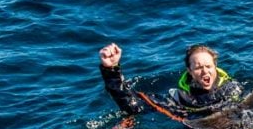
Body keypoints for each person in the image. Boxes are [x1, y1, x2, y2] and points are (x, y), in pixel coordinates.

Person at [98, 42, 243, 116]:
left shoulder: (231, 88)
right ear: (190, 71)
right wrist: (111, 70)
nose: (205, 71)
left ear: (215, 67)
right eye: (198, 68)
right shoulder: (179, 98)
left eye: (208, 66)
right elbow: (133, 105)